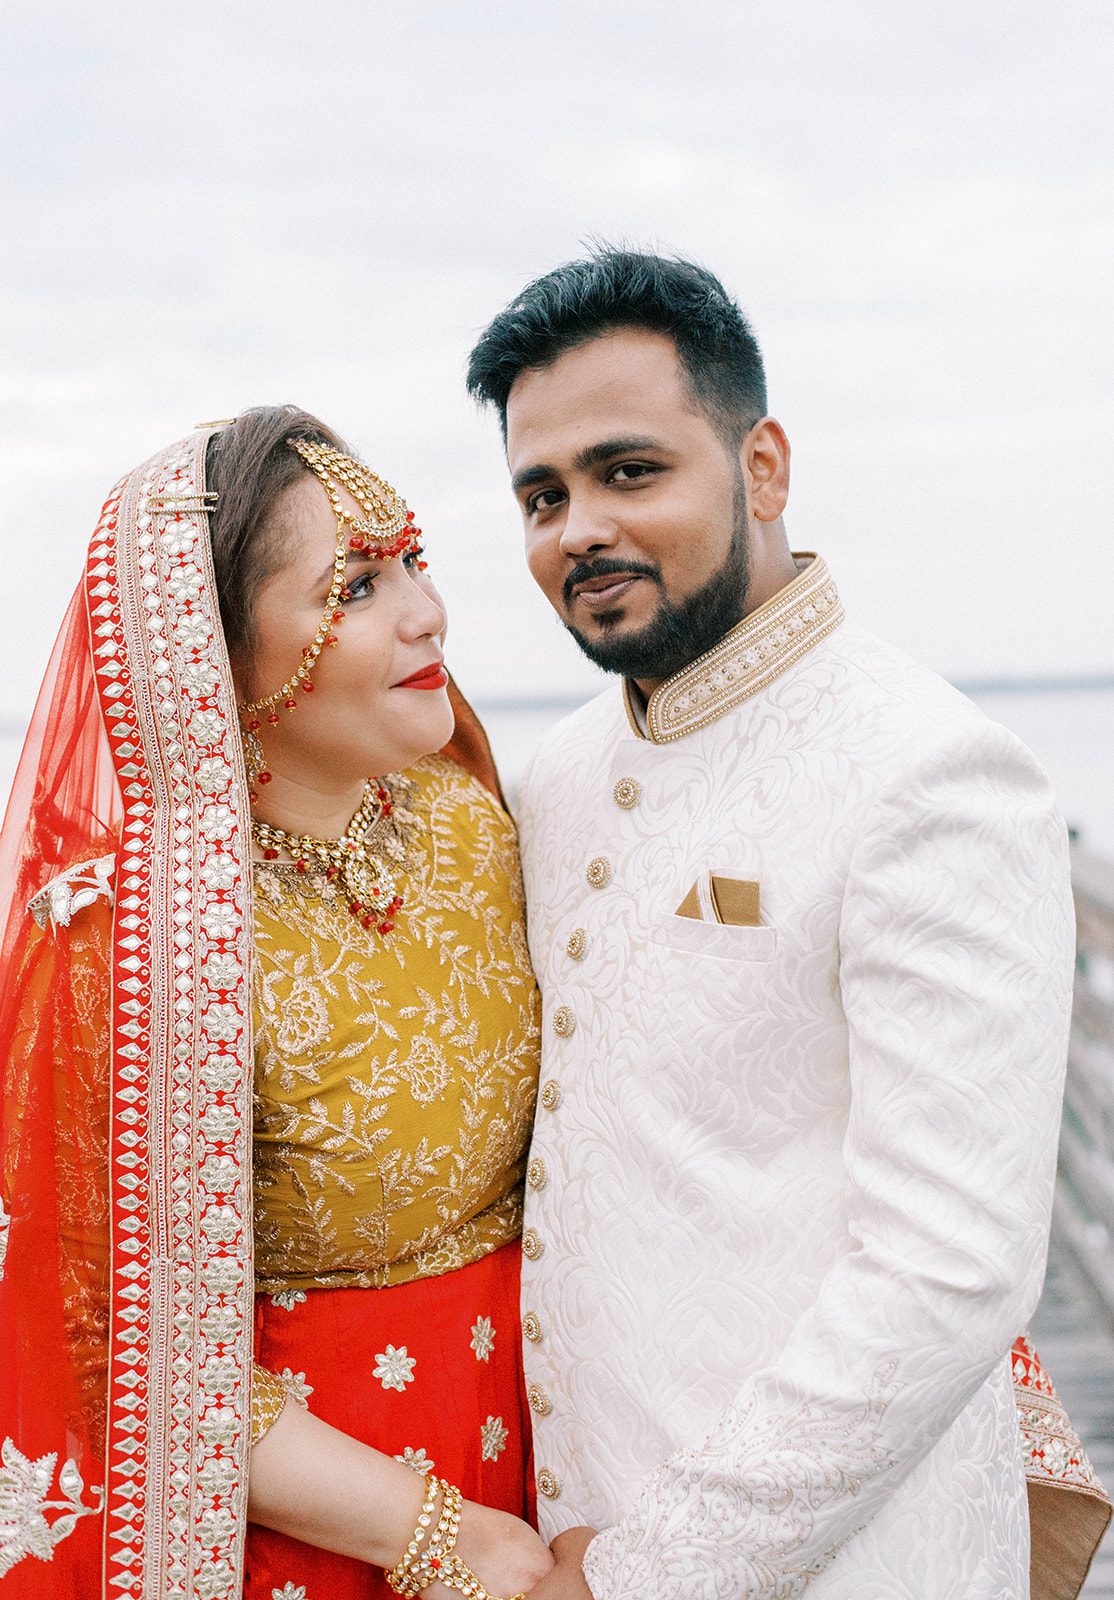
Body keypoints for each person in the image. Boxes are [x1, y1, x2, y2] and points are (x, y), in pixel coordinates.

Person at [466, 249, 1112, 1599]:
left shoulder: (930, 771)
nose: (576, 527)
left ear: (761, 467)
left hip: (845, 1561)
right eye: (542, 493)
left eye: (628, 471)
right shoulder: (555, 779)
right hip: (562, 1531)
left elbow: (947, 1271)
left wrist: (648, 1575)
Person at [0, 408, 554, 1599]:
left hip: (542, 1459)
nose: (425, 610)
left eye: (414, 560)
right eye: (356, 585)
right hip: (318, 1527)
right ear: (210, 650)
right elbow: (110, 1341)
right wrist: (444, 1536)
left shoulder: (468, 819)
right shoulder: (127, 940)